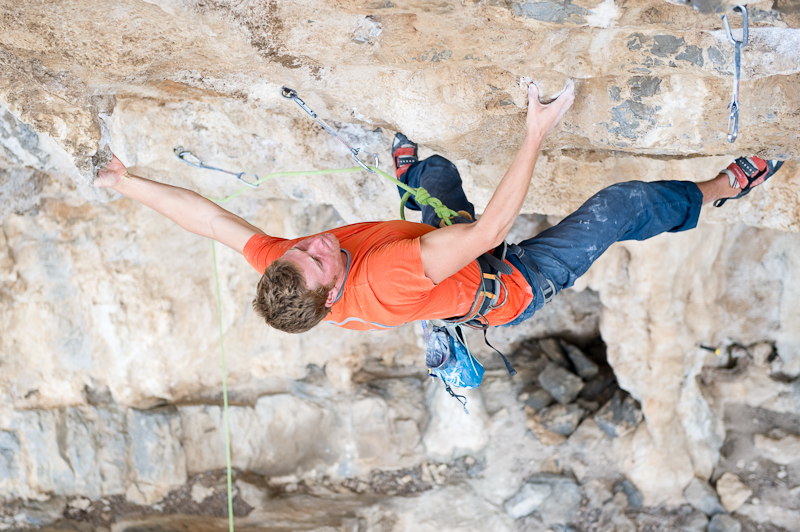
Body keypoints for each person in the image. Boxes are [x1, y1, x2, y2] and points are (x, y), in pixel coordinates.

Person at [94, 81, 784, 334]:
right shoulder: (381, 276)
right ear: (334, 292)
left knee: (433, 175)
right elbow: (493, 230)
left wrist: (128, 183)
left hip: (444, 266)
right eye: (318, 257)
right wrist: (535, 132)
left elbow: (210, 221)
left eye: (300, 248)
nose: (313, 242)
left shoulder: (291, 272)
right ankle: (726, 188)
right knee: (622, 205)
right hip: (507, 285)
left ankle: (416, 179)